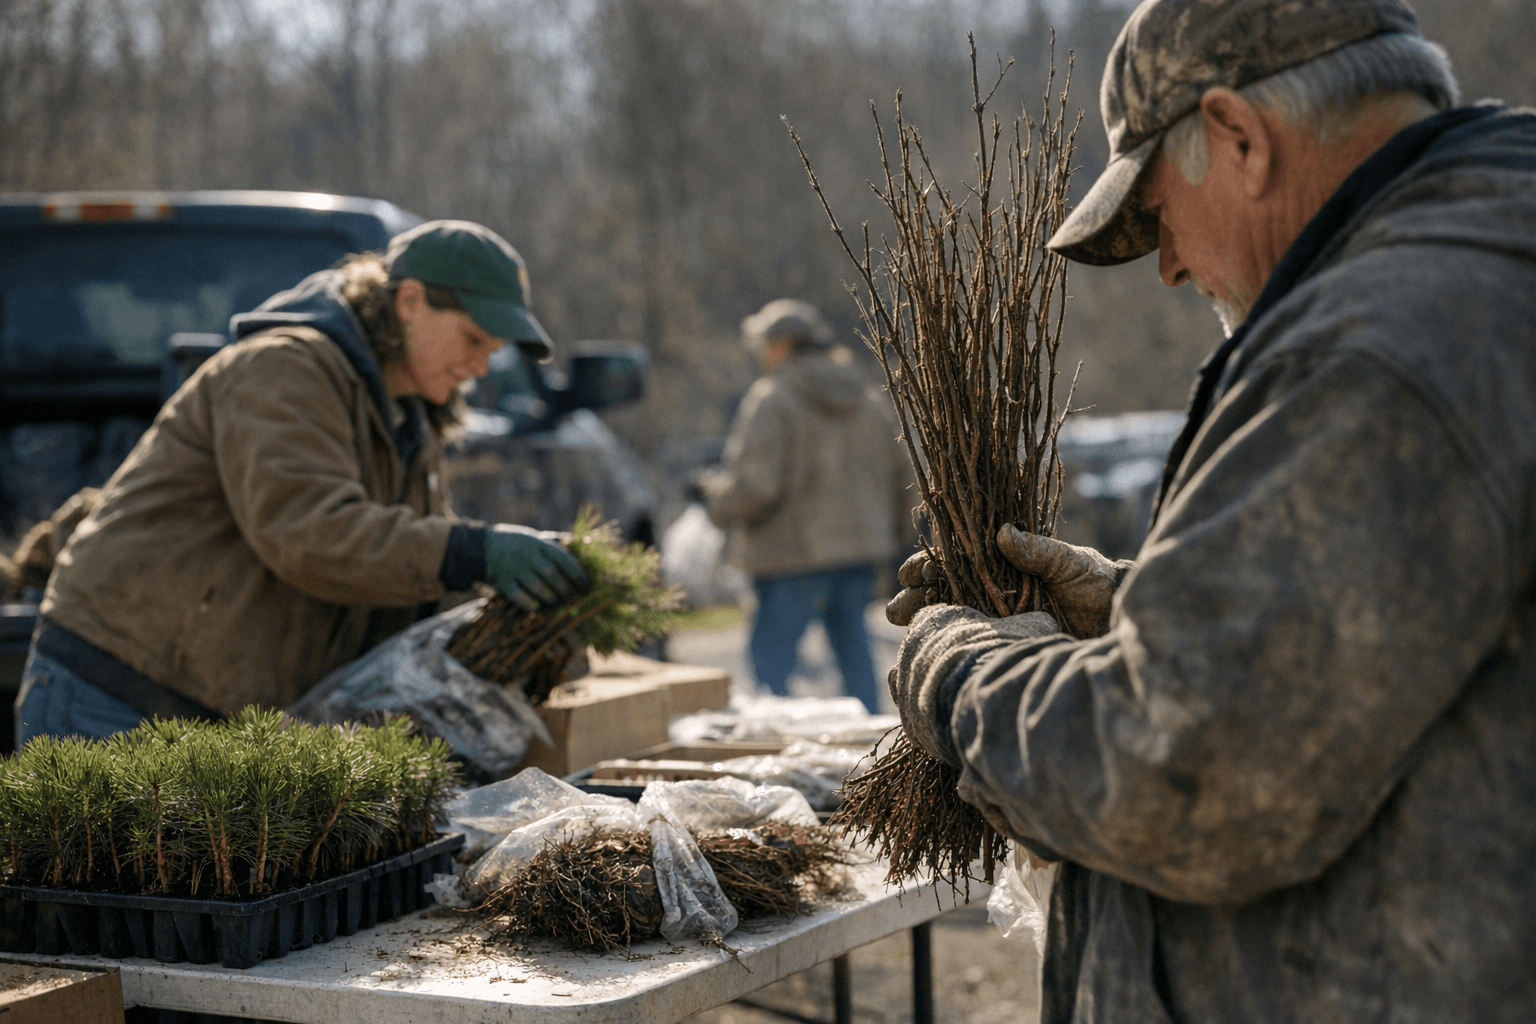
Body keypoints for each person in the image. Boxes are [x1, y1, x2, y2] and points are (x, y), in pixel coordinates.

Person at [883, 0, 1536, 1020]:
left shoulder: (1376, 352)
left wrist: (962, 672)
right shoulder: (1484, 273)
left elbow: (1191, 779)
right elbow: (1387, 640)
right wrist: (1135, 609)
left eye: (1158, 212)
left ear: (1239, 138)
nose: (1172, 264)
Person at [15, 220, 587, 746]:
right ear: (410, 301)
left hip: (219, 715)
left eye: (493, 351)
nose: (482, 367)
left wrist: (523, 621)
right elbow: (312, 533)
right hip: (114, 695)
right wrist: (475, 552)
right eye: (473, 339)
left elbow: (400, 576)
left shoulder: (407, 418)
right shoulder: (285, 369)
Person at [703, 299, 911, 713]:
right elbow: (901, 478)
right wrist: (895, 537)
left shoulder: (773, 399)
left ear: (779, 344)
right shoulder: (867, 398)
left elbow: (756, 486)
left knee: (772, 670)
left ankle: (780, 760)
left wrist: (715, 501)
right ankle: (869, 756)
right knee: (855, 661)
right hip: (859, 553)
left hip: (790, 556)